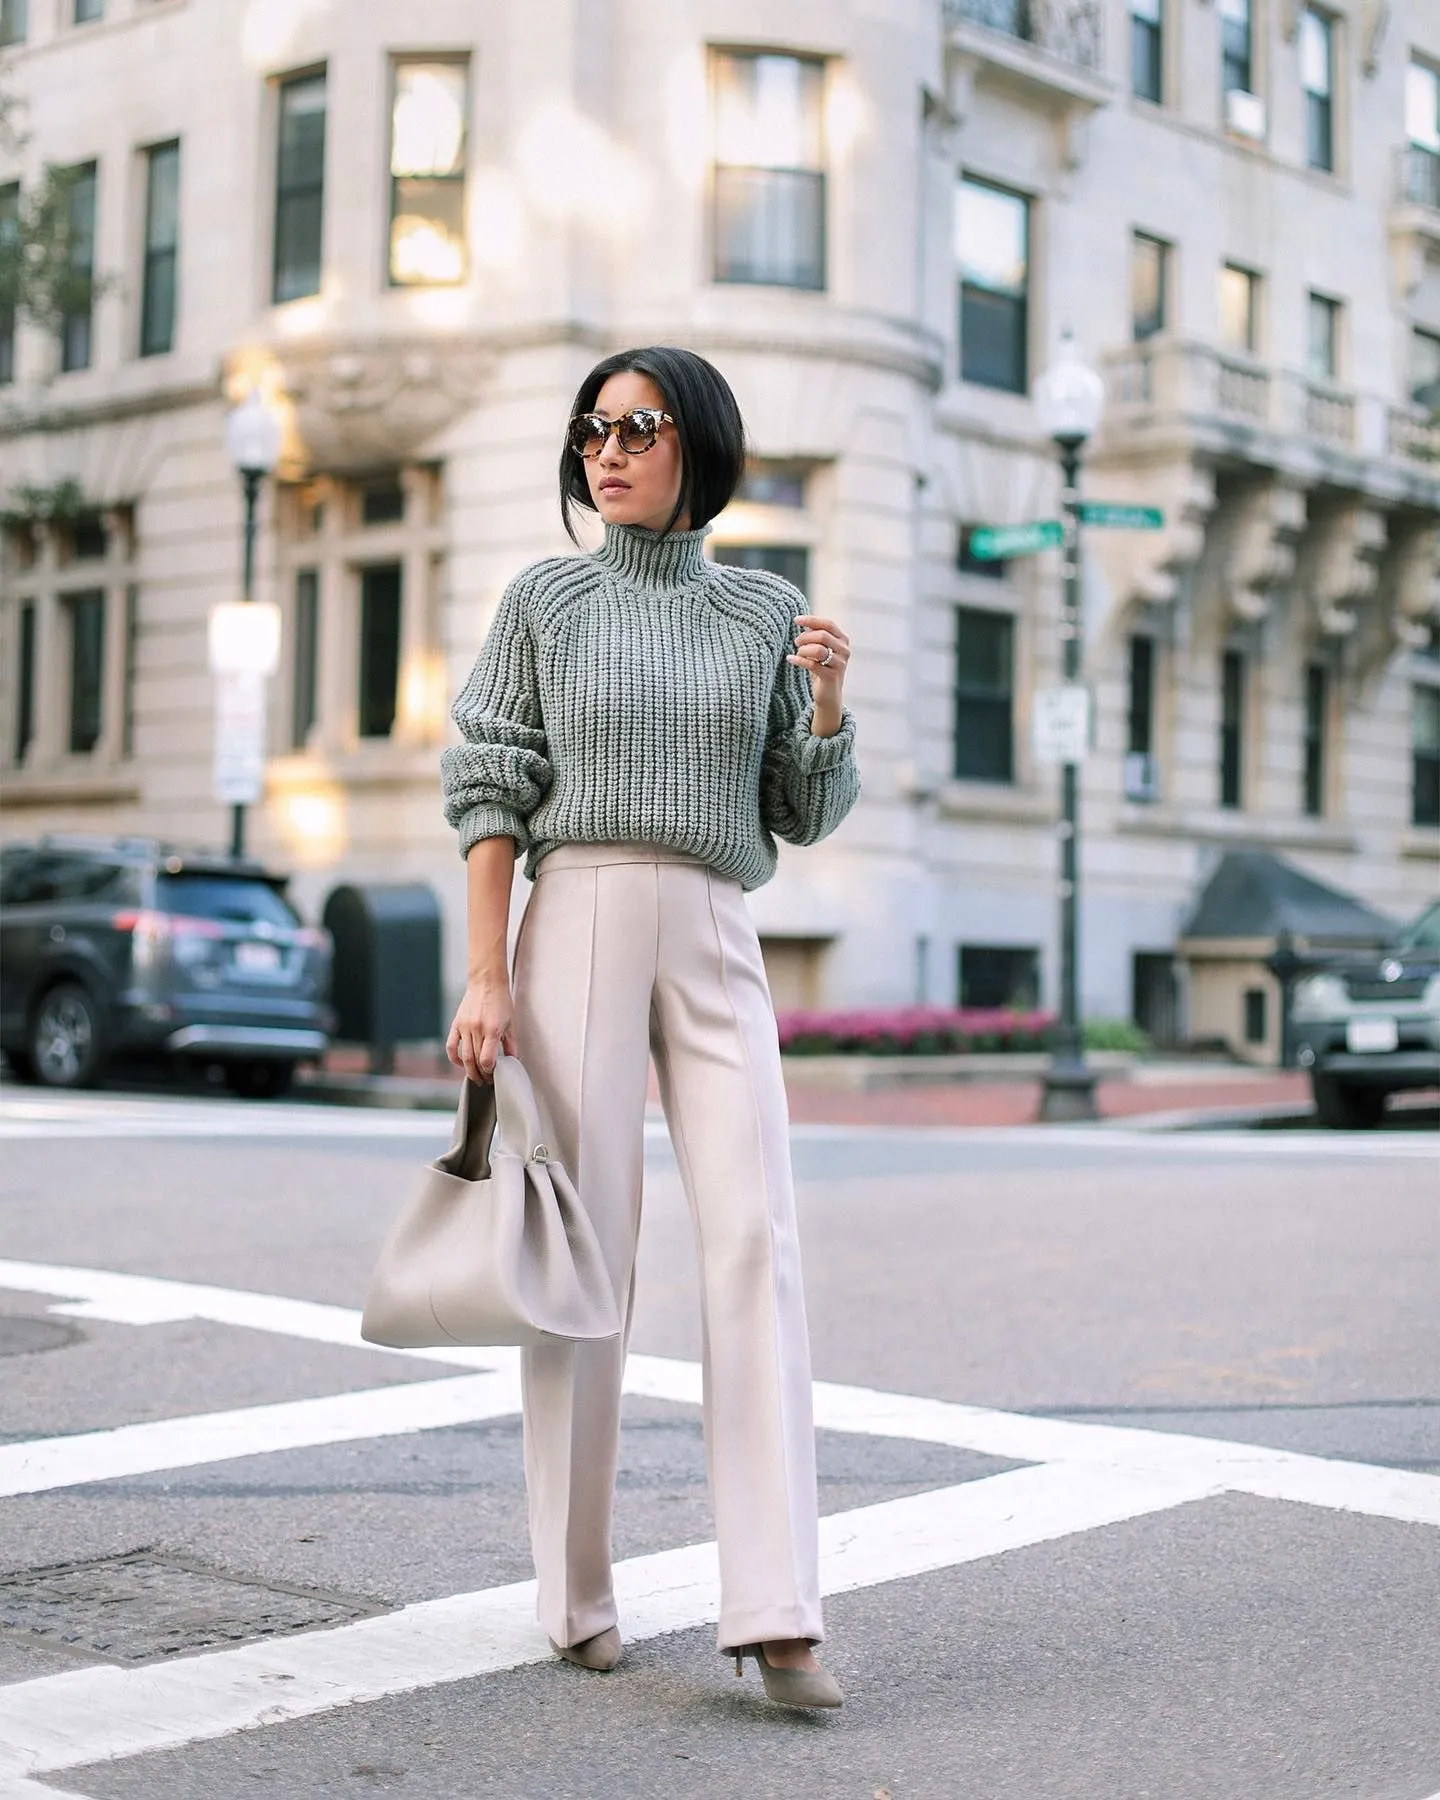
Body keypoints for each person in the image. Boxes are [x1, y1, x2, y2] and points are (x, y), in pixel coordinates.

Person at [440, 345, 858, 1711]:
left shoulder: (761, 611)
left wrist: (830, 708)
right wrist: (487, 976)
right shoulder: (546, 599)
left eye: (637, 426)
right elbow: (491, 788)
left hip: (718, 922)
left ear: (701, 447)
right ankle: (574, 1594)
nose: (606, 451)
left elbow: (802, 810)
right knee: (588, 1255)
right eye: (591, 432)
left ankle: (779, 1607)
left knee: (757, 1240)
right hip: (582, 915)